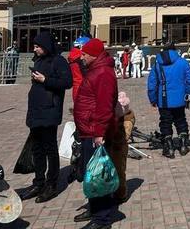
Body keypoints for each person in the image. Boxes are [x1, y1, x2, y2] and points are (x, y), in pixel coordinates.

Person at [21, 32, 72, 203]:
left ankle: (52, 183)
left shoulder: (58, 61)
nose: (34, 49)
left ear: (46, 46)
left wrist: (45, 79)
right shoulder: (39, 60)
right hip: (36, 111)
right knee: (37, 148)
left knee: (50, 148)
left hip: (50, 111)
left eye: (37, 46)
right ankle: (39, 181)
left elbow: (67, 82)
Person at [73, 38, 119, 229]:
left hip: (95, 132)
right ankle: (94, 208)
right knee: (89, 173)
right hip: (88, 130)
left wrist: (99, 133)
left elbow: (104, 107)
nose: (81, 57)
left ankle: (102, 219)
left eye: (84, 54)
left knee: (98, 176)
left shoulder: (103, 73)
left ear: (93, 55)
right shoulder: (95, 70)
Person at [147, 41, 190, 159]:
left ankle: (169, 148)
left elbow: (152, 84)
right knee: (180, 120)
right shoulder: (182, 62)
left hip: (163, 100)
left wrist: (153, 99)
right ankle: (183, 145)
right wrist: (187, 93)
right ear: (175, 50)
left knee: (165, 122)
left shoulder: (158, 64)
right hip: (180, 99)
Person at [68, 36, 89, 102]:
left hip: (76, 87)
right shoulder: (81, 58)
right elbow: (86, 74)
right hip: (84, 88)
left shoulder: (72, 56)